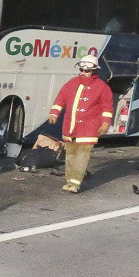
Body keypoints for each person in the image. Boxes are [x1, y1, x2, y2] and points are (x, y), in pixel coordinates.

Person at [47, 54, 113, 193]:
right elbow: (61, 99)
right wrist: (54, 114)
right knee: (70, 153)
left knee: (83, 154)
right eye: (81, 70)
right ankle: (69, 180)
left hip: (89, 127)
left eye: (86, 71)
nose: (83, 73)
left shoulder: (102, 87)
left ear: (94, 71)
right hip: (70, 126)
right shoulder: (71, 83)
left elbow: (107, 107)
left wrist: (105, 124)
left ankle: (76, 183)